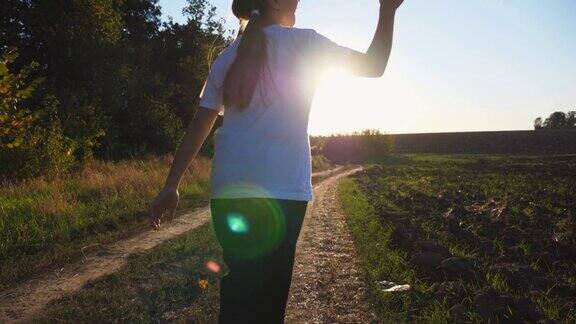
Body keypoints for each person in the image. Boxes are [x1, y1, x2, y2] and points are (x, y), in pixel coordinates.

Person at [149, 0, 405, 322]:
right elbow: (374, 65)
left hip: (230, 194)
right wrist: (388, 9)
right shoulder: (304, 43)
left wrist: (172, 185)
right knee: (268, 302)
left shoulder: (228, 57)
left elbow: (199, 125)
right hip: (282, 194)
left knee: (238, 292)